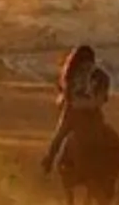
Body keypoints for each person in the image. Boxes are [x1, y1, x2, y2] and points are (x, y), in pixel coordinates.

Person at [42, 45, 110, 174]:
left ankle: (49, 160)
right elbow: (102, 98)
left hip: (74, 114)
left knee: (60, 135)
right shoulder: (100, 75)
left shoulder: (70, 75)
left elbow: (67, 98)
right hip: (94, 114)